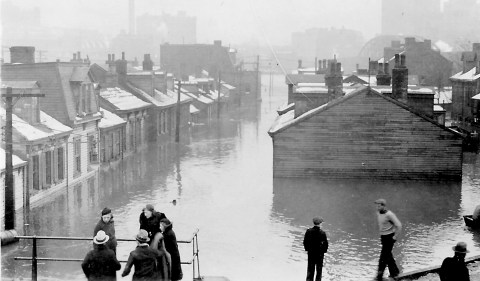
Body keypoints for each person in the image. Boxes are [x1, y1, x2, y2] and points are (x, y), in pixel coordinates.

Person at [374, 198, 402, 280]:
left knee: (383, 257)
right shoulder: (378, 213)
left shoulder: (389, 214)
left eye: (379, 206)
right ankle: (395, 273)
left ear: (383, 206)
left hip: (389, 237)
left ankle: (379, 276)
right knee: (388, 256)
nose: (377, 208)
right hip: (383, 237)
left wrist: (395, 237)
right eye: (377, 206)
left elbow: (399, 225)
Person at [303, 217, 328, 281]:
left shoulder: (309, 231)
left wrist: (307, 249)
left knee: (310, 269)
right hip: (319, 254)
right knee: (319, 271)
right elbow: (326, 244)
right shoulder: (322, 233)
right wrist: (323, 251)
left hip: (311, 253)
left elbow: (305, 242)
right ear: (320, 224)